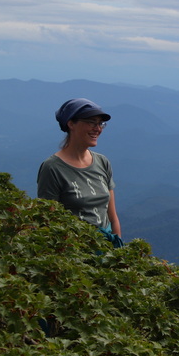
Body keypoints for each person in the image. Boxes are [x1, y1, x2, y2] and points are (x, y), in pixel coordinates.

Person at [37, 98, 123, 247]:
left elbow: (112, 216)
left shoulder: (102, 162)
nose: (98, 128)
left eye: (100, 123)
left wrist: (119, 253)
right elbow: (47, 221)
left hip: (107, 249)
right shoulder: (52, 168)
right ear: (71, 124)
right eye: (91, 122)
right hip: (76, 252)